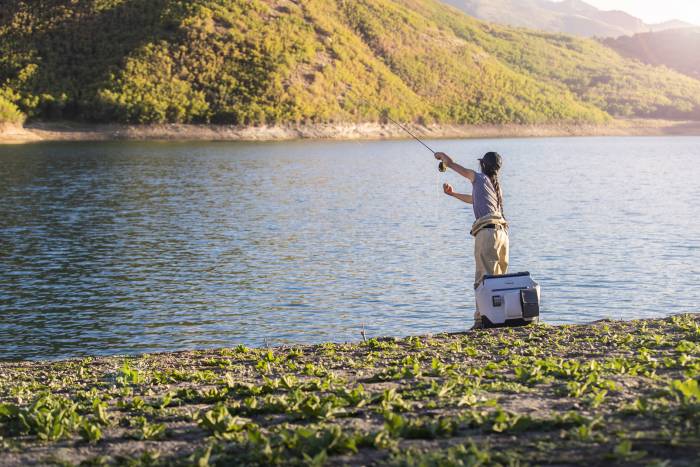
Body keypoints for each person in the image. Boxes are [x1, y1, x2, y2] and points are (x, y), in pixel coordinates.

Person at [434, 151, 509, 329]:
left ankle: (481, 321)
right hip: (503, 235)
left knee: (483, 279)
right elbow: (473, 200)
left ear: (482, 164)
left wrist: (445, 158)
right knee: (499, 279)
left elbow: (455, 166)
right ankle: (500, 318)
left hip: (488, 234)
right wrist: (453, 194)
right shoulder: (494, 186)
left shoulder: (480, 178)